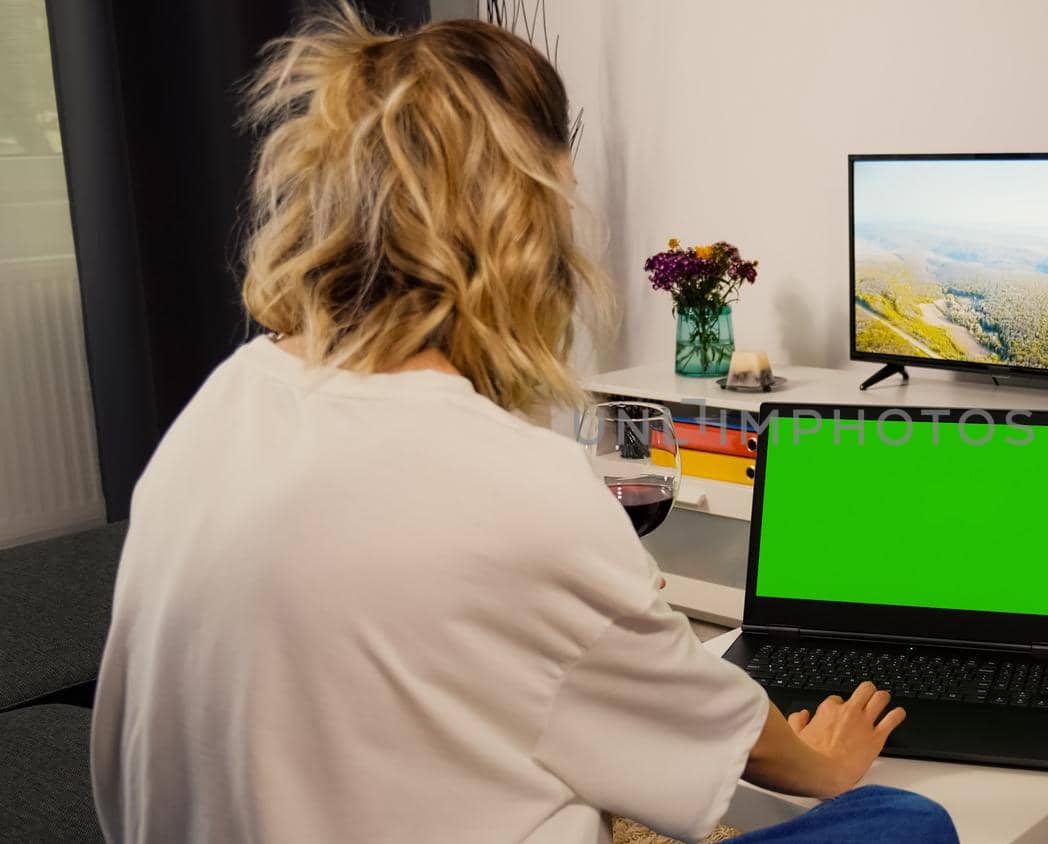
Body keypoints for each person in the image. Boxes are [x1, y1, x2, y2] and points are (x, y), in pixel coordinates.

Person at [89, 6, 956, 844]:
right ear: (519, 228)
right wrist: (825, 763)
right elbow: (721, 735)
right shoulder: (516, 485)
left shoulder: (224, 402)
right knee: (909, 822)